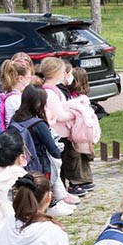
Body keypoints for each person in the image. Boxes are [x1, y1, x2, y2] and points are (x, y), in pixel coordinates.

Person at [8, 85, 73, 217]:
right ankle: (50, 204)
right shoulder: (38, 124)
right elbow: (53, 150)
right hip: (39, 165)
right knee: (54, 166)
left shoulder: (15, 118)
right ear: (39, 103)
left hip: (22, 161)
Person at [38, 57, 82, 207]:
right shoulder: (49, 93)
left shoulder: (55, 90)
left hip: (62, 133)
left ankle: (62, 193)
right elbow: (60, 115)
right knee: (57, 166)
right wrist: (76, 113)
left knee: (61, 164)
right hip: (56, 134)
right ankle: (58, 196)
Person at [61, 67, 100, 192]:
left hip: (82, 132)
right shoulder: (69, 98)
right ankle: (75, 181)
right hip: (74, 133)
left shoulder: (80, 98)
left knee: (83, 155)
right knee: (74, 156)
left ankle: (84, 179)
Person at [0, 58, 32, 126]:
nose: (30, 80)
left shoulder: (8, 94)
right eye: (29, 77)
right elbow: (27, 120)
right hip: (16, 134)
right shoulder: (15, 99)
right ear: (20, 78)